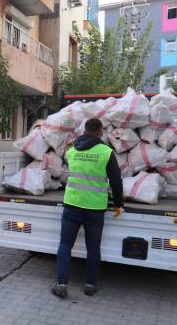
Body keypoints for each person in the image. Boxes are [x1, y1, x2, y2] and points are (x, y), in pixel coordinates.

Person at [52, 118, 123, 298]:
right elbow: (116, 181)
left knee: (65, 244)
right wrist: (118, 204)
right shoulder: (106, 152)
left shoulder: (72, 151)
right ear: (100, 132)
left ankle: (61, 284)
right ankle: (90, 285)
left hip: (72, 205)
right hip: (95, 209)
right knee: (93, 248)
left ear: (84, 130)